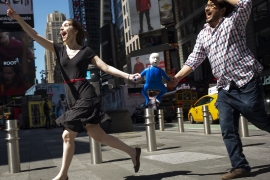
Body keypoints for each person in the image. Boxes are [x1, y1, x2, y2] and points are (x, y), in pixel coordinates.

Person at [6, 3, 142, 180]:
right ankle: (133, 151)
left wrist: (129, 75)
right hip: (71, 96)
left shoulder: (86, 51)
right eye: (61, 27)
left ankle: (63, 175)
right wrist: (17, 18)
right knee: (97, 134)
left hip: (85, 94)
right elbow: (34, 35)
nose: (62, 29)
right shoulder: (59, 49)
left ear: (75, 30)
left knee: (67, 134)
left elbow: (106, 67)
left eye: (66, 25)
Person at [169, 0, 270, 179]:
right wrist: (177, 77)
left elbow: (246, 3)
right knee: (227, 128)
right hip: (224, 89)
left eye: (212, 4)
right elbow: (194, 59)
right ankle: (240, 166)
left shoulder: (233, 21)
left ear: (222, 9)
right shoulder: (203, 35)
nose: (207, 8)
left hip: (246, 82)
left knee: (261, 120)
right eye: (206, 5)